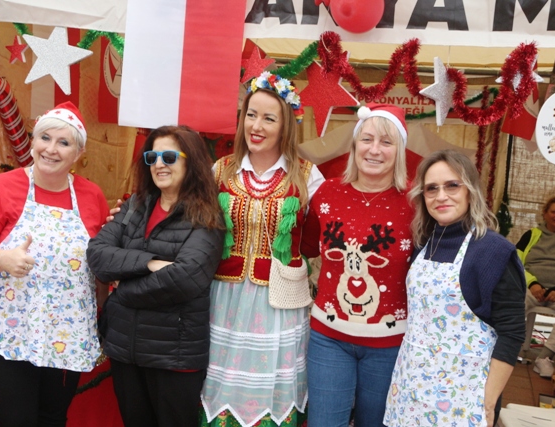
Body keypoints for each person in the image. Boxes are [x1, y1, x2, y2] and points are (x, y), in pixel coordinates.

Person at [0, 102, 109, 427]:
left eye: (63, 142)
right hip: (9, 326)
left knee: (52, 418)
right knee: (13, 420)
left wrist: (102, 308)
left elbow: (99, 263)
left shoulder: (92, 195)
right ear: (33, 141)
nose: (51, 149)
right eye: (45, 138)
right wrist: (4, 259)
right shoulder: (1, 187)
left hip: (68, 328)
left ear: (78, 153)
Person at [199, 72, 324, 427]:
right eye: (251, 115)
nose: (256, 126)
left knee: (271, 382)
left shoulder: (307, 176)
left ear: (286, 126)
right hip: (224, 298)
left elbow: (322, 238)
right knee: (221, 380)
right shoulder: (220, 170)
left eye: (269, 118)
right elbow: (192, 224)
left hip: (280, 303)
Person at [86, 125, 225, 427]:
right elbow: (97, 254)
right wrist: (150, 263)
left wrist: (122, 289)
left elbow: (185, 278)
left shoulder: (206, 215)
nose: (159, 164)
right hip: (126, 349)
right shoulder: (135, 205)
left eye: (169, 157)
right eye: (152, 157)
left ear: (191, 162)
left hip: (173, 356)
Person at [384, 149, 526, 427]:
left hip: (465, 399)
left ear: (470, 190)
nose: (441, 196)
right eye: (431, 188)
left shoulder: (493, 252)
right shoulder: (423, 245)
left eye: (452, 185)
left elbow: (512, 332)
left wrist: (488, 403)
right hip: (411, 389)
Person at [301, 103, 414, 427]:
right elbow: (306, 245)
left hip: (390, 343)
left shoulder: (416, 202)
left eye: (386, 142)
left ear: (399, 150)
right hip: (329, 338)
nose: (374, 150)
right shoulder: (327, 193)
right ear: (354, 145)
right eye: (367, 139)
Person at [516, 195, 555, 378]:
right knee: (513, 302)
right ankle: (508, 348)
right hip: (531, 289)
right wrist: (532, 283)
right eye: (554, 211)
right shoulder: (531, 235)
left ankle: (544, 358)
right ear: (545, 213)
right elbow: (516, 263)